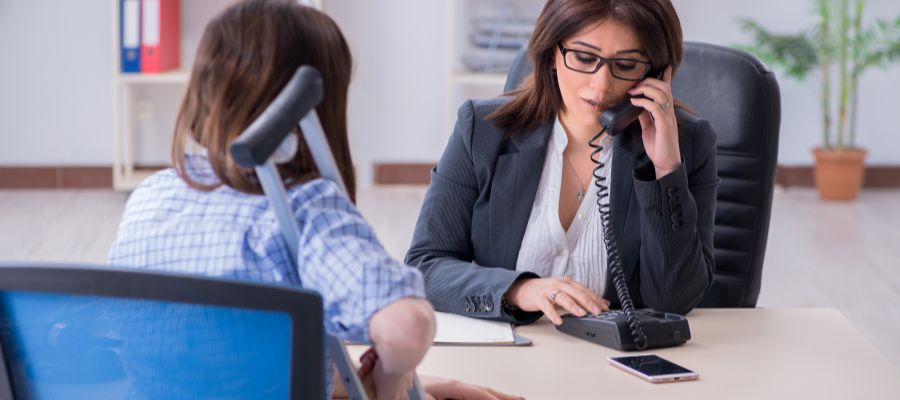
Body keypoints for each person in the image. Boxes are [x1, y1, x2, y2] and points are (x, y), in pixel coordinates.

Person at [108, 1, 520, 399]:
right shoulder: (306, 210)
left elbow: (204, 363)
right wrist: (391, 383)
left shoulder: (152, 194)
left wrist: (379, 383)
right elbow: (408, 326)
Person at [406, 0, 718, 326]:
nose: (601, 84)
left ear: (657, 73)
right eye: (584, 58)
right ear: (552, 53)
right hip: (508, 359)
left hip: (617, 363)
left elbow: (674, 300)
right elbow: (426, 266)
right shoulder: (482, 130)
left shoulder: (688, 144)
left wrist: (664, 171)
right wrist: (520, 290)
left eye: (625, 65)